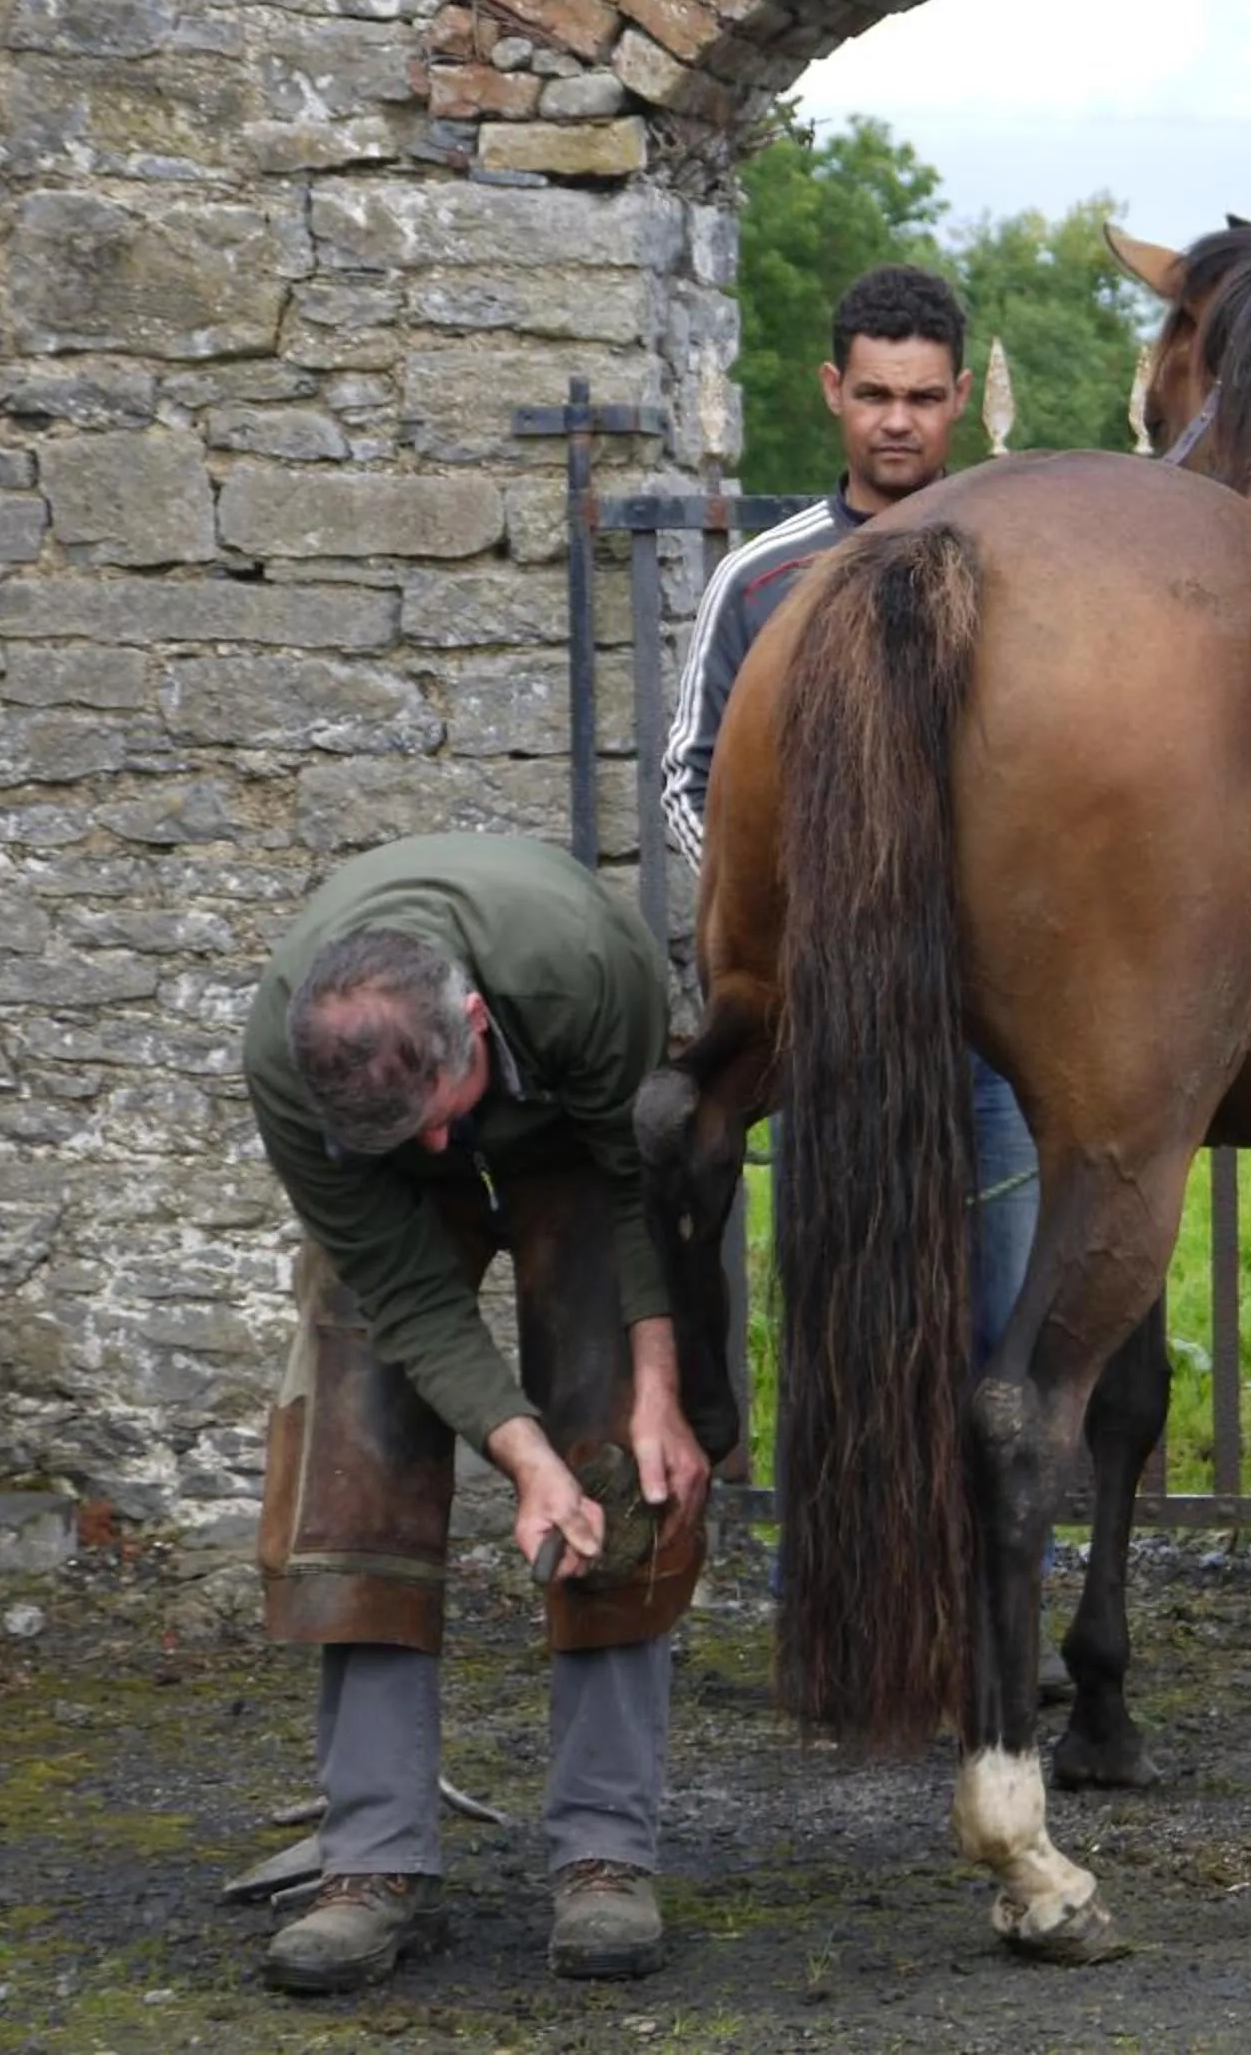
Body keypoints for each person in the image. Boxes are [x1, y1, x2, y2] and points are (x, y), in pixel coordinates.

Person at [663, 266, 1056, 1670]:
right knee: (843, 1318)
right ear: (832, 391)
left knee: (1003, 1325)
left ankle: (995, 1617)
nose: (899, 422)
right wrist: (814, 914)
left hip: (995, 1028)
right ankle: (840, 1619)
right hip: (832, 1029)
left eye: (925, 397)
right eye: (875, 393)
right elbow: (691, 780)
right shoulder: (763, 580)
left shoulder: (1024, 587)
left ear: (962, 401)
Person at [244, 833, 716, 1995]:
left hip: (577, 1150)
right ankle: (368, 1860)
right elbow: (407, 1292)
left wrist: (660, 1396)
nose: (443, 1151)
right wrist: (520, 1460)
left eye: (441, 1116)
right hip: (394, 1202)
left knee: (623, 1458)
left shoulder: (583, 973)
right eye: (411, 1138)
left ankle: (606, 1853)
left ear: (471, 1021)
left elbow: (635, 1188)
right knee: (351, 1452)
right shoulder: (291, 1070)